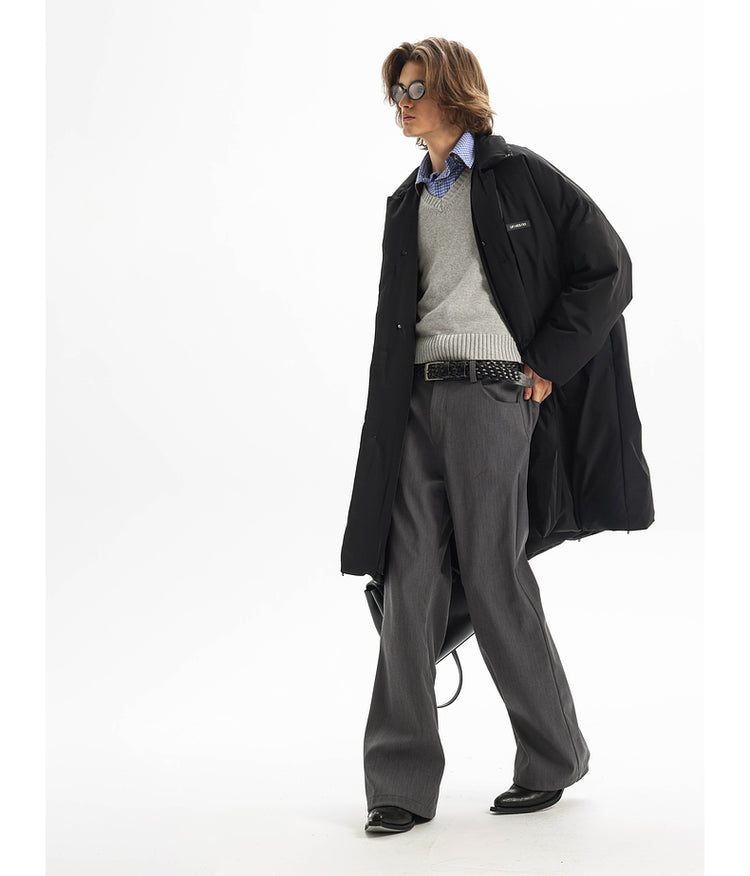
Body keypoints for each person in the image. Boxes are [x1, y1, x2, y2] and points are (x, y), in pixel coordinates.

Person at [340, 37, 654, 835]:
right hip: (415, 402)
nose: (403, 103)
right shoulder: (406, 202)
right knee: (407, 579)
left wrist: (544, 365)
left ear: (454, 90)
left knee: (491, 572)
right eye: (396, 91)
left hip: (492, 396)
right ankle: (399, 783)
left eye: (416, 87)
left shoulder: (522, 177)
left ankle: (552, 757)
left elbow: (608, 269)